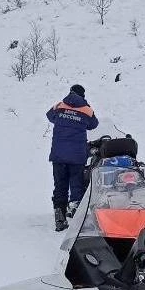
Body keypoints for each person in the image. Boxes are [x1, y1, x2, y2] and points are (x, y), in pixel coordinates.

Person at [47, 84, 99, 231]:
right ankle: (76, 213)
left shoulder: (59, 106)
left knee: (60, 185)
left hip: (58, 155)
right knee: (76, 184)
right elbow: (93, 124)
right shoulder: (86, 109)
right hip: (77, 156)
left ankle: (60, 214)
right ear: (83, 95)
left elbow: (49, 116)